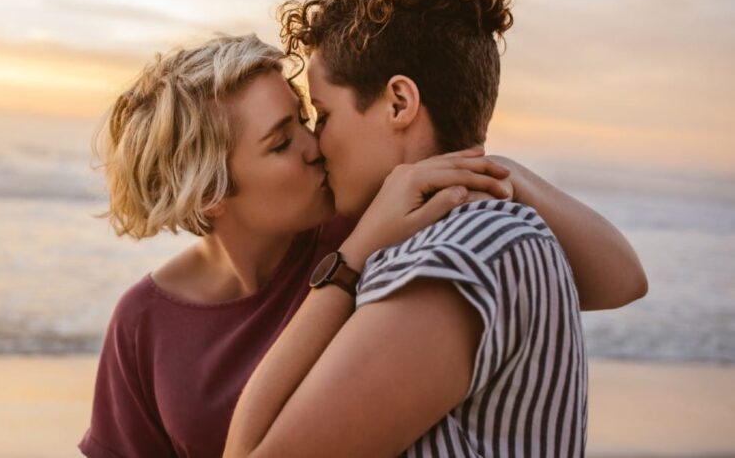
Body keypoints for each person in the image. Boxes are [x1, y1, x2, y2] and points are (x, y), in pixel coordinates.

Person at [80, 38, 644, 457]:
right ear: (209, 195)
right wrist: (351, 261)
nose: (315, 145)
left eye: (307, 119)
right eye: (281, 142)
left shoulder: (378, 223)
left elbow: (621, 280)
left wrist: (485, 168)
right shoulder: (143, 323)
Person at [222, 0, 639, 457]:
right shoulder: (462, 233)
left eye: (324, 115)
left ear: (399, 102)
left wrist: (347, 263)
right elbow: (626, 277)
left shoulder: (458, 252)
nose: (317, 142)